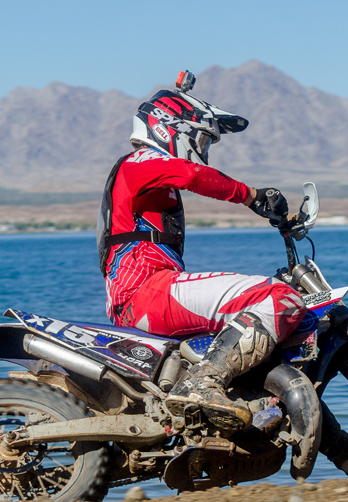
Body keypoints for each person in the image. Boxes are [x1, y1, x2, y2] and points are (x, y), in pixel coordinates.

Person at [97, 71, 307, 433]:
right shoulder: (140, 163)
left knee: (249, 324)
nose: (203, 151)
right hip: (146, 293)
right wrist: (253, 196)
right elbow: (192, 174)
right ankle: (202, 384)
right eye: (201, 139)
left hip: (148, 296)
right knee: (277, 297)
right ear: (170, 128)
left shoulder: (151, 177)